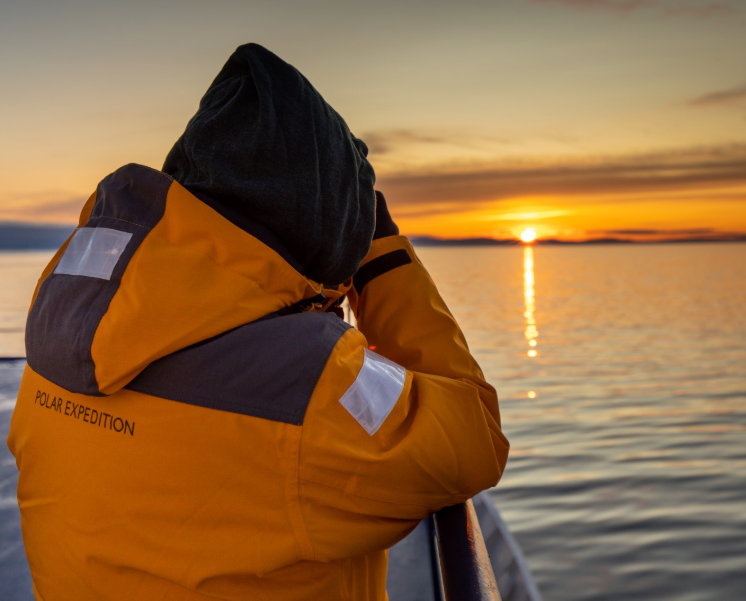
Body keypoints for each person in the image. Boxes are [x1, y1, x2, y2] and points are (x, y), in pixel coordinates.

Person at [7, 43, 508, 600]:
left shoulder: (60, 337)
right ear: (327, 229)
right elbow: (476, 437)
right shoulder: (306, 386)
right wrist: (384, 257)